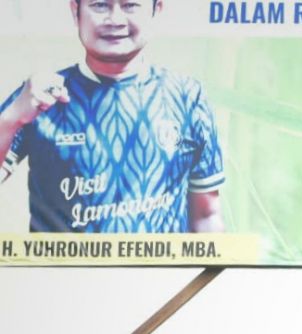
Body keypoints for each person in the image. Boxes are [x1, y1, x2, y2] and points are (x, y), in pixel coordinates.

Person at [0, 0, 225, 233]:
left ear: (156, 10)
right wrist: (11, 119)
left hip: (161, 270)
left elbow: (207, 216)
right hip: (61, 270)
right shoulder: (38, 95)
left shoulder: (187, 97)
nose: (115, 19)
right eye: (100, 5)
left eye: (130, 5)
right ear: (75, 10)